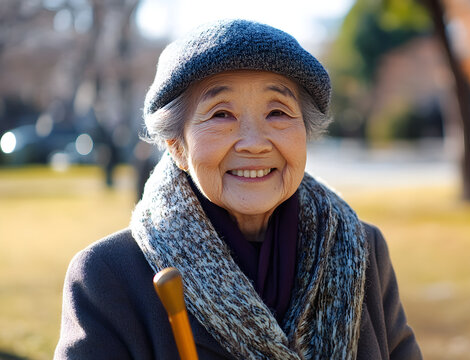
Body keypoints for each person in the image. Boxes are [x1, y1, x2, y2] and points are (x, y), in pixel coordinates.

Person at [55, 19, 422, 359]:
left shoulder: (361, 249)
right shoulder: (108, 277)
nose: (254, 143)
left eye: (277, 112)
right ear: (176, 146)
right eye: (221, 114)